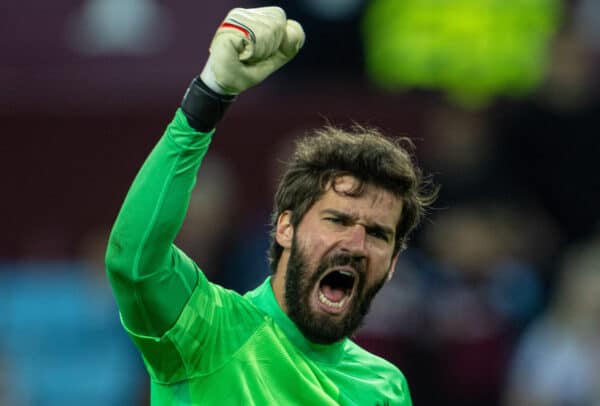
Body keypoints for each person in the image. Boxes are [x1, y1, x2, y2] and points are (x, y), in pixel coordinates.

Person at [105, 6, 435, 405]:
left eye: (379, 233)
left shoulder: (385, 387)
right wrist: (210, 94)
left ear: (394, 262)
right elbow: (134, 263)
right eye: (337, 219)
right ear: (285, 227)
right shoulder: (211, 330)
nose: (355, 244)